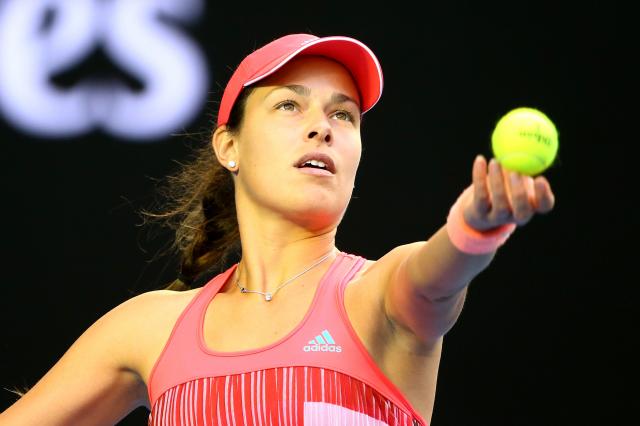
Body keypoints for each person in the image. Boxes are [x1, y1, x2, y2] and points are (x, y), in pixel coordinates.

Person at [0, 33, 555, 425]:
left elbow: (436, 279)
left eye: (344, 115)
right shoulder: (147, 328)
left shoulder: (379, 297)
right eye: (290, 105)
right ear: (230, 147)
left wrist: (475, 227)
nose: (322, 127)